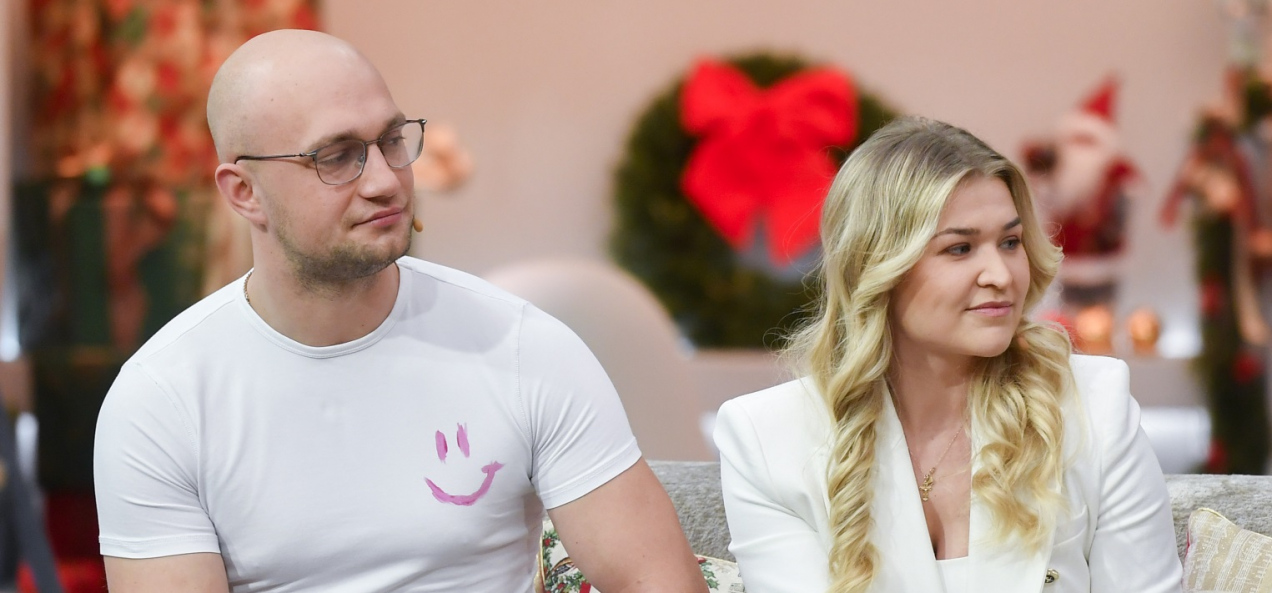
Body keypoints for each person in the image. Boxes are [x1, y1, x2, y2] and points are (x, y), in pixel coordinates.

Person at [93, 29, 707, 593]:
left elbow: (657, 582)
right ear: (244, 192)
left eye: (391, 141)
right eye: (336, 156)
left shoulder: (523, 348)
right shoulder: (161, 402)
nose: (386, 181)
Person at [713, 117, 1182, 593]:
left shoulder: (1094, 406)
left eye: (1010, 242)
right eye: (960, 248)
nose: (1000, 274)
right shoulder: (767, 439)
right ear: (878, 265)